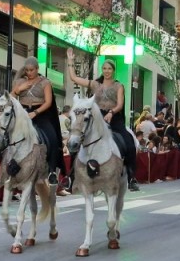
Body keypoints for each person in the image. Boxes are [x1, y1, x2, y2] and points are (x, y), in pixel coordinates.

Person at [67, 49, 140, 191]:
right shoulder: (95, 84)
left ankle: (131, 177)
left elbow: (119, 104)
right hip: (97, 117)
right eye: (104, 68)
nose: (107, 71)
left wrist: (111, 112)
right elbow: (74, 79)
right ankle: (71, 177)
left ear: (113, 70)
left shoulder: (119, 86)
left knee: (129, 142)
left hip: (114, 117)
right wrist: (70, 61)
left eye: (109, 69)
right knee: (78, 141)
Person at [11, 56, 65, 187]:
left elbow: (48, 102)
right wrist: (19, 89)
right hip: (23, 112)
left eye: (32, 70)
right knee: (8, 134)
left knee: (52, 136)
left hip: (40, 113)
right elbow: (10, 97)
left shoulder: (45, 82)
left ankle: (52, 171)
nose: (29, 73)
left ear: (37, 69)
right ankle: (9, 163)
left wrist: (35, 112)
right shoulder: (20, 81)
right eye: (27, 70)